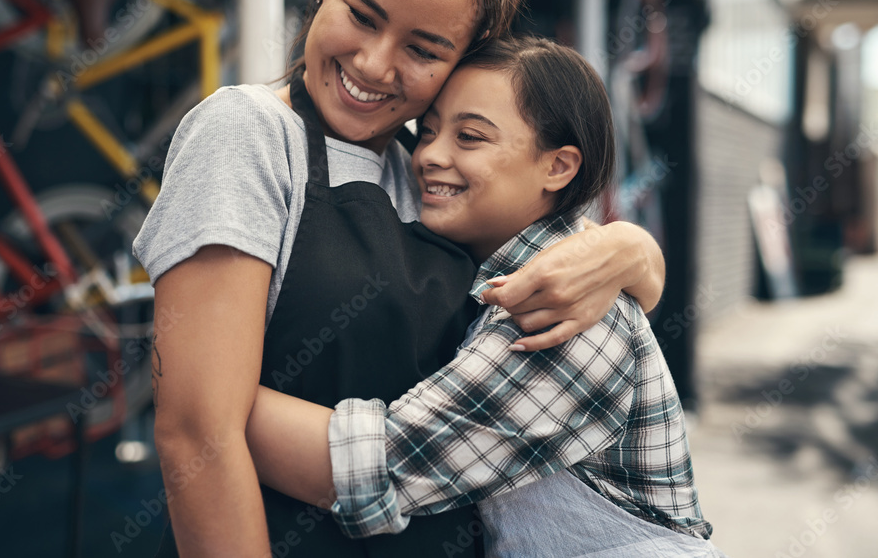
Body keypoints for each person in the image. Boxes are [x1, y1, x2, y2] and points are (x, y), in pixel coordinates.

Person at [132, 0, 666, 556]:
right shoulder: (249, 136)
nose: (375, 64)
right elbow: (195, 436)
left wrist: (632, 251)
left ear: (462, 61)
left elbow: (592, 267)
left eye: (423, 49)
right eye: (361, 14)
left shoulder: (438, 171)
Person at [246, 35, 725, 557]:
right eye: (426, 132)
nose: (431, 155)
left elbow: (382, 466)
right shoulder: (523, 263)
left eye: (470, 137)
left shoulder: (567, 313)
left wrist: (207, 400)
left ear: (558, 167)